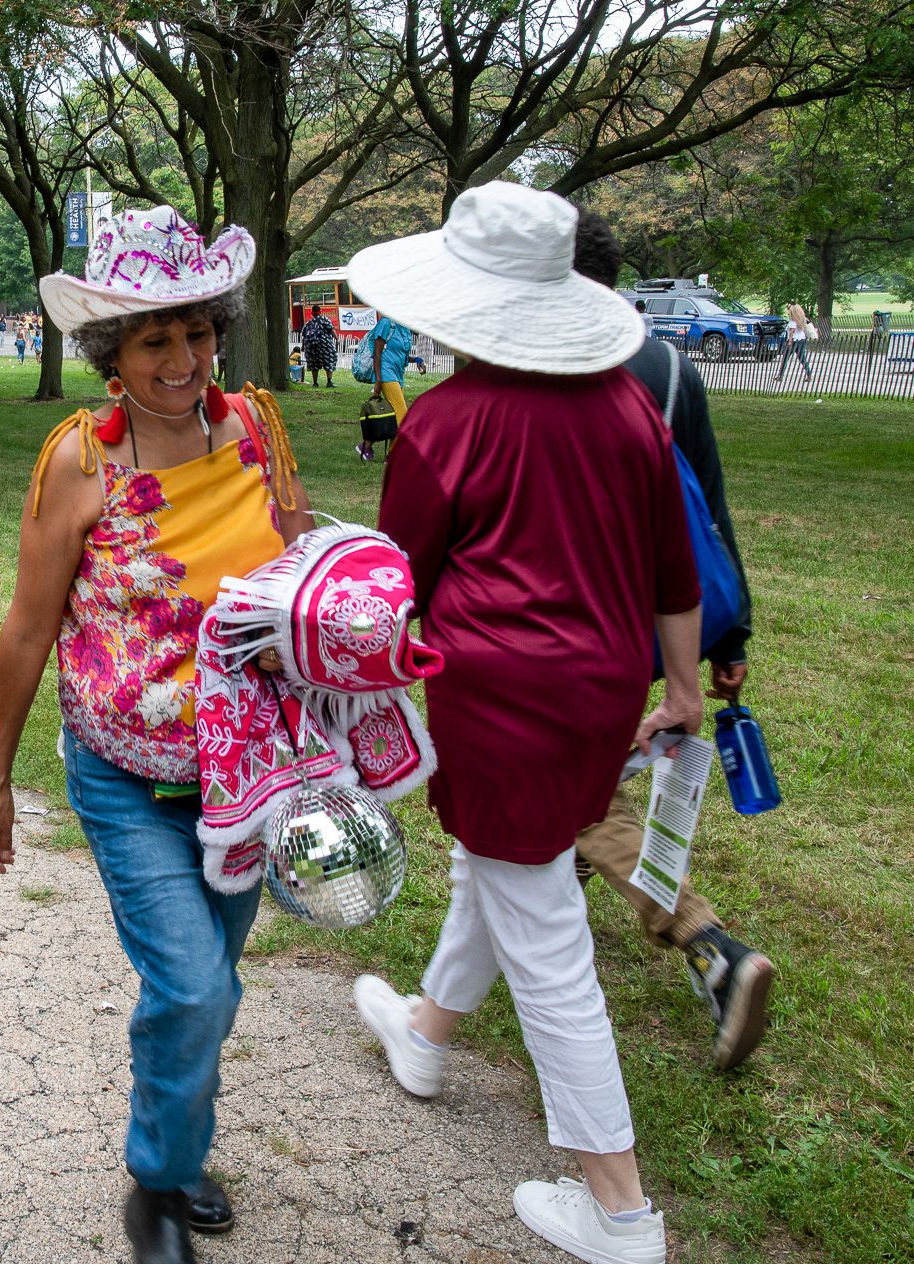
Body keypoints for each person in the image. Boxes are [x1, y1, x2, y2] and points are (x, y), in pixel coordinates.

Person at [348, 183, 700, 1264]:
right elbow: (672, 568)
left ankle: (620, 1209)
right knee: (508, 870)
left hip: (495, 698)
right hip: (600, 693)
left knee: (543, 934)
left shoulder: (445, 422)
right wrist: (681, 688)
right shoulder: (631, 409)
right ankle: (424, 1033)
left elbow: (396, 578)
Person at [0, 205, 312, 1264]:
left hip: (243, 777)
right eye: (154, 340)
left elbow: (296, 569)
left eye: (198, 331)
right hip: (125, 779)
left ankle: (178, 1142)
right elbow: (30, 623)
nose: (184, 358)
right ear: (108, 354)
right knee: (193, 985)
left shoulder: (254, 427)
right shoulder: (80, 461)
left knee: (208, 986)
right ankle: (157, 1187)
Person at [571, 213, 772, 1070]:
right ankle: (540, 916)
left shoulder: (526, 366)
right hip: (662, 621)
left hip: (567, 625)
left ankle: (708, 944)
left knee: (575, 802)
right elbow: (707, 509)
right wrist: (732, 633)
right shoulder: (667, 364)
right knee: (579, 791)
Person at [356, 312, 413, 461]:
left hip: (398, 374)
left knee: (392, 416)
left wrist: (417, 360)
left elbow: (400, 353)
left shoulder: (406, 328)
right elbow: (377, 352)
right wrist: (379, 380)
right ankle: (393, 457)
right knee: (402, 414)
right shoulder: (387, 323)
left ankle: (366, 446)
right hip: (386, 373)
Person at [300, 303, 338, 386]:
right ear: (320, 311)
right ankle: (329, 382)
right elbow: (331, 330)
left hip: (311, 347)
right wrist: (337, 339)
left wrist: (303, 347)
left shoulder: (308, 323)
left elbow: (304, 335)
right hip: (324, 345)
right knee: (329, 361)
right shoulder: (324, 319)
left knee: (314, 364)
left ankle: (315, 383)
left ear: (312, 313)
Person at [778, 301, 813, 384]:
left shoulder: (792, 321)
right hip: (802, 339)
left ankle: (780, 375)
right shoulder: (803, 319)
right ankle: (809, 374)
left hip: (793, 341)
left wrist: (789, 341)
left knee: (785, 358)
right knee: (802, 358)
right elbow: (809, 325)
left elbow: (791, 332)